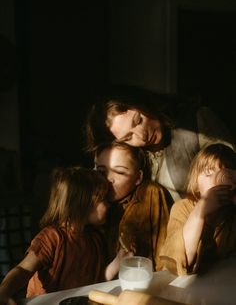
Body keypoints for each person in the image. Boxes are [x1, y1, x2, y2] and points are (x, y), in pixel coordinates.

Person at [0, 166, 132, 304]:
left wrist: (118, 262)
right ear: (82, 203)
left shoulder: (94, 239)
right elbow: (23, 269)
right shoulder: (52, 238)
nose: (109, 204)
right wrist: (4, 291)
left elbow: (97, 281)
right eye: (103, 199)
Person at [85, 85, 235, 201]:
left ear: (143, 103)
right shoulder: (131, 158)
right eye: (128, 137)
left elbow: (229, 172)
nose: (142, 136)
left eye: (138, 121)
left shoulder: (196, 122)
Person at [94, 141, 173, 272]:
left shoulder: (149, 192)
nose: (108, 178)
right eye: (102, 172)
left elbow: (162, 257)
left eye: (119, 172)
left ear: (138, 177)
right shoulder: (93, 204)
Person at [160, 143, 236, 276]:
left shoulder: (231, 212)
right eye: (209, 173)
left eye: (226, 175)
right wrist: (199, 212)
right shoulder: (183, 208)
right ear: (196, 183)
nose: (216, 181)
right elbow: (179, 263)